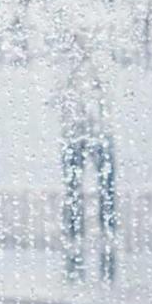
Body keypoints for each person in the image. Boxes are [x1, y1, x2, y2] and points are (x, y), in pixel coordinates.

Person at [49, 50, 118, 283]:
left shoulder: (101, 65)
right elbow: (55, 99)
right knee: (75, 188)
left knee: (104, 188)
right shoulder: (66, 69)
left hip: (98, 133)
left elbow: (110, 96)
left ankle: (106, 232)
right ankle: (75, 233)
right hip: (76, 135)